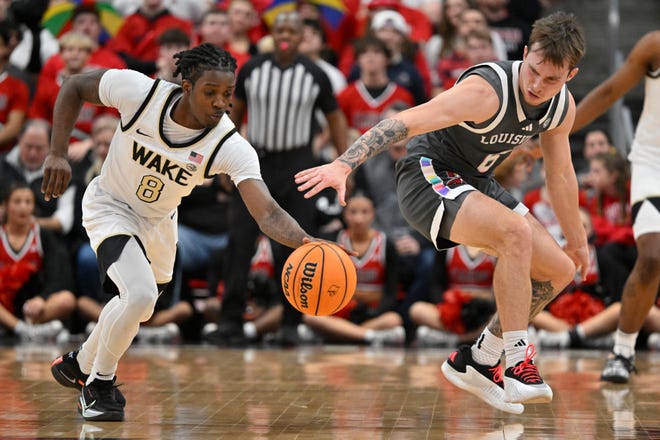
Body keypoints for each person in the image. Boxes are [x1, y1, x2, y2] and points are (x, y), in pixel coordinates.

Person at [296, 11, 589, 414]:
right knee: (515, 234)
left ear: (570, 76)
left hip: (474, 180)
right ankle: (518, 359)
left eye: (552, 79)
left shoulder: (560, 107)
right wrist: (344, 163)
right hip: (426, 175)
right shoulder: (485, 91)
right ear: (524, 53)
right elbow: (404, 121)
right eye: (534, 71)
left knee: (559, 269)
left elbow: (560, 175)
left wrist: (577, 241)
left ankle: (480, 359)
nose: (538, 85)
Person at [43, 43, 321, 422]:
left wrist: (308, 242)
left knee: (138, 303)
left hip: (159, 221)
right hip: (111, 205)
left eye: (227, 94)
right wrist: (58, 152)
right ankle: (98, 385)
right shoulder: (141, 94)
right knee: (138, 294)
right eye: (211, 92)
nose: (221, 103)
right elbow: (74, 86)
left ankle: (80, 363)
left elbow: (268, 213)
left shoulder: (229, 144)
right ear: (186, 86)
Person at [206, 11, 348, 347]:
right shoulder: (253, 68)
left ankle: (289, 324)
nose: (285, 34)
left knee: (293, 246)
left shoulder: (316, 74)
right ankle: (230, 323)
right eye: (280, 28)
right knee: (239, 243)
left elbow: (336, 119)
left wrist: (344, 164)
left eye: (292, 30)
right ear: (272, 32)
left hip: (298, 167)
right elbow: (234, 114)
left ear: (301, 37)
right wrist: (227, 159)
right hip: (254, 162)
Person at [571, 30, 660, 384]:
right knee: (652, 257)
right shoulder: (654, 45)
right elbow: (609, 92)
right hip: (652, 164)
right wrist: (558, 131)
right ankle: (623, 350)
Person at [302, 192, 405, 346]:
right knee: (309, 317)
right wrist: (367, 295)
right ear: (344, 215)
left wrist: (357, 297)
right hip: (340, 311)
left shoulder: (386, 244)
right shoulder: (333, 241)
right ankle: (368, 335)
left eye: (365, 212)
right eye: (353, 212)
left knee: (393, 319)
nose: (358, 219)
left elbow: (389, 292)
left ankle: (341, 333)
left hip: (373, 313)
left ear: (373, 214)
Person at [0, 183, 76, 342]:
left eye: (28, 202)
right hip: (2, 306)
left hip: (30, 308)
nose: (23, 207)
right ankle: (24, 330)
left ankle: (27, 329)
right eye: (17, 202)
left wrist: (42, 298)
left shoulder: (42, 235)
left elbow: (58, 276)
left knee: (67, 299)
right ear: (5, 206)